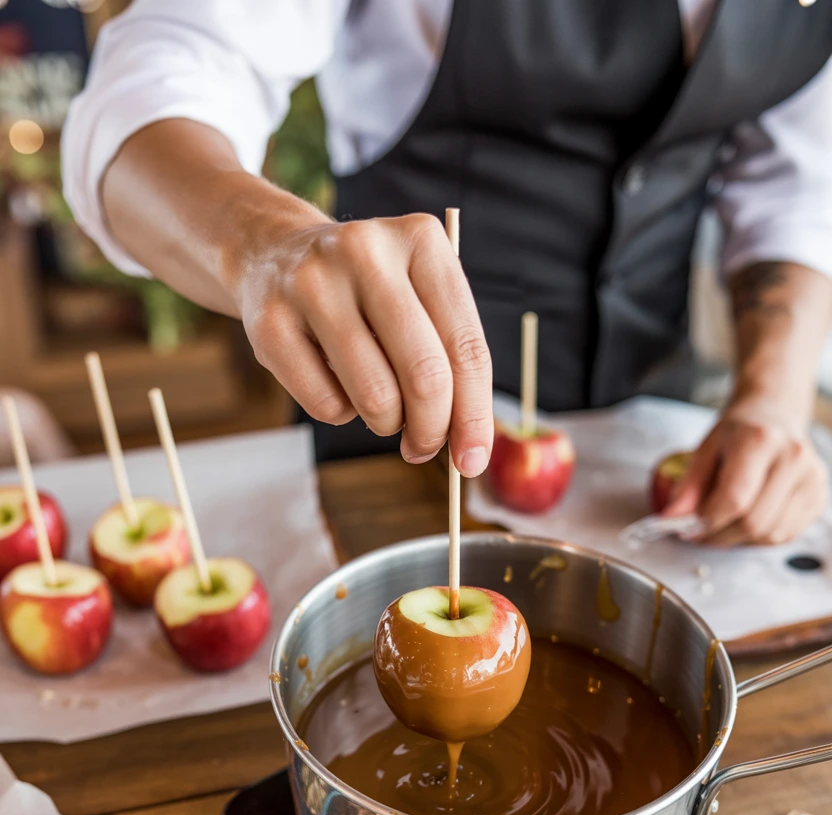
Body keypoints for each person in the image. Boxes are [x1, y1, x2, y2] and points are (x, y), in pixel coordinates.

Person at [62, 1, 832, 547]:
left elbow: (794, 185)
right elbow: (161, 74)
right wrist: (265, 243)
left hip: (652, 446)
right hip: (390, 461)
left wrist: (774, 396)